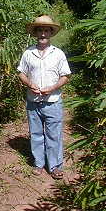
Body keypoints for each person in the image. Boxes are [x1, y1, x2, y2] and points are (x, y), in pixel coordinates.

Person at [17, 15, 71, 179]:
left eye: (46, 30)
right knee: (36, 133)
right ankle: (39, 163)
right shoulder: (28, 53)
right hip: (33, 102)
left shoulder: (58, 54)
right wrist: (29, 84)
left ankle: (55, 166)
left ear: (50, 33)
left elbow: (66, 76)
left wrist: (52, 87)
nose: (42, 34)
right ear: (35, 33)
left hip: (52, 101)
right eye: (39, 30)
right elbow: (21, 73)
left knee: (54, 135)